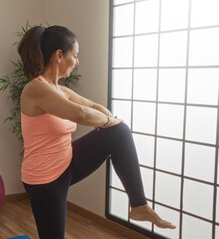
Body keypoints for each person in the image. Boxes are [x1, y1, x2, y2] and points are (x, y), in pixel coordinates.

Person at [18, 25, 176, 239]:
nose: (77, 62)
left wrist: (110, 122)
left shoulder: (60, 90)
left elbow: (93, 107)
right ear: (59, 55)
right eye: (75, 55)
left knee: (120, 132)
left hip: (66, 162)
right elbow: (81, 114)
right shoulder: (35, 89)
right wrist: (108, 121)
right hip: (44, 179)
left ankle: (139, 205)